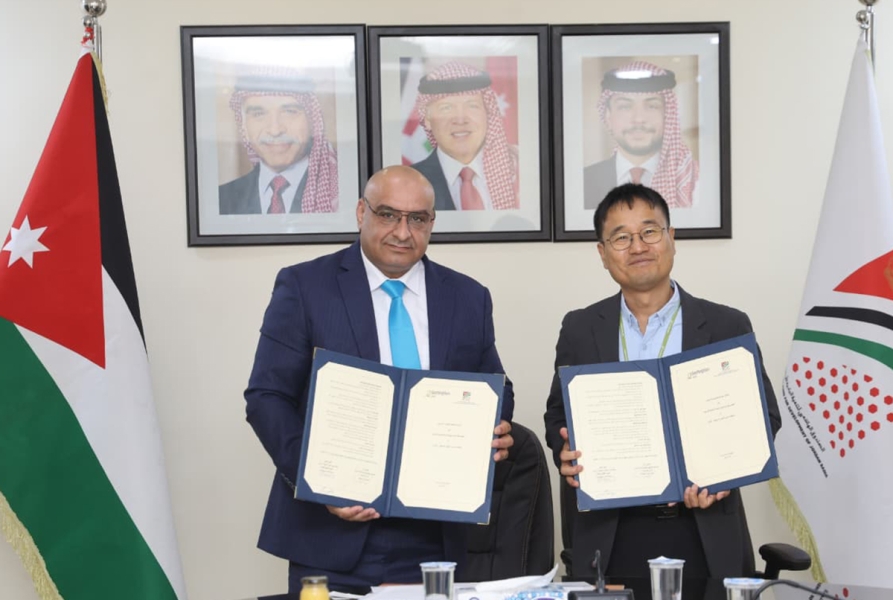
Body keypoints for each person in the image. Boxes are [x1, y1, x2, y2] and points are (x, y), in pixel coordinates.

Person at [244, 165, 515, 594]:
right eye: (388, 214)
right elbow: (267, 396)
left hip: (436, 534)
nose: (402, 232)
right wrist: (318, 483)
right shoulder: (304, 286)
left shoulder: (468, 297)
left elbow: (495, 388)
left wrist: (495, 426)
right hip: (330, 533)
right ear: (361, 213)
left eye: (417, 219)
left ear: (432, 223)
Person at [543, 183, 781, 579]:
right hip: (610, 533)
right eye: (621, 237)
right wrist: (563, 451)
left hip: (704, 529)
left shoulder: (726, 325)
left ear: (671, 238)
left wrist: (724, 471)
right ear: (603, 253)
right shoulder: (580, 328)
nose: (638, 246)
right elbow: (558, 416)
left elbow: (764, 417)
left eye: (649, 231)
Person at [219, 69, 339, 214]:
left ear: (312, 120)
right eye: (258, 114)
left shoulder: (341, 191)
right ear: (243, 126)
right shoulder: (222, 200)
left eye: (289, 112)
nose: (275, 130)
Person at [583, 62, 698, 210]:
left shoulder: (694, 180)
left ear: (667, 115)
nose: (638, 119)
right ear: (608, 117)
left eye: (651, 106)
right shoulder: (582, 182)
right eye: (625, 107)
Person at [411, 61, 519, 211]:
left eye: (472, 106)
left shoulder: (519, 170)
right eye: (446, 108)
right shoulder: (410, 181)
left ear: (488, 113)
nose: (460, 119)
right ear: (427, 119)